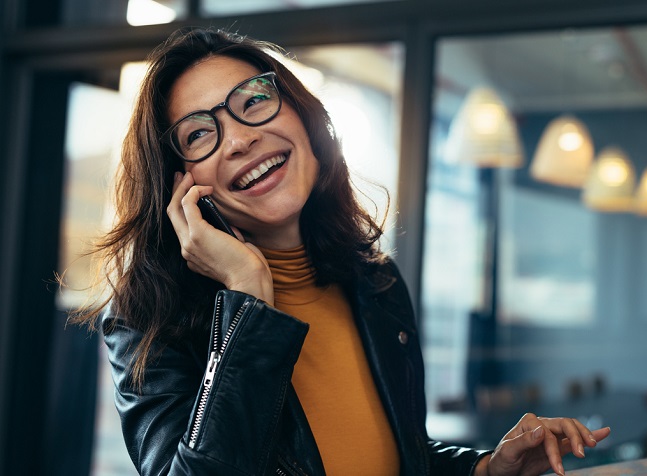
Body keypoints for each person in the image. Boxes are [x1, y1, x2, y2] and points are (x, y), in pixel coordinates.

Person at [72, 26, 610, 476]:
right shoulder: (148, 321)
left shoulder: (374, 282)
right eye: (197, 135)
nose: (238, 140)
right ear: (179, 187)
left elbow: (396, 455)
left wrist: (485, 468)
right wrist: (249, 302)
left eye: (254, 101)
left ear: (304, 118)